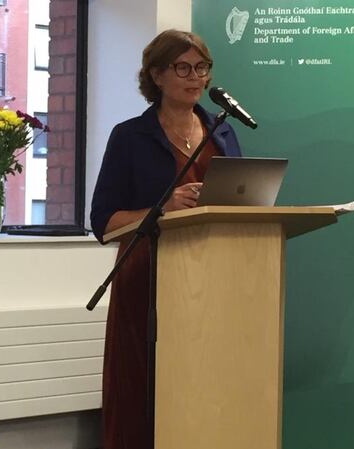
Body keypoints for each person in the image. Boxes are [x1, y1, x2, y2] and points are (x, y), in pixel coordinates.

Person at [90, 30, 243, 449]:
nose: (195, 77)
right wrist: (163, 207)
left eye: (202, 68)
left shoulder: (223, 134)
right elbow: (103, 221)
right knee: (146, 390)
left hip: (213, 280)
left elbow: (240, 199)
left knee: (205, 387)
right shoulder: (130, 137)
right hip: (149, 281)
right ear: (157, 75)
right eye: (183, 67)